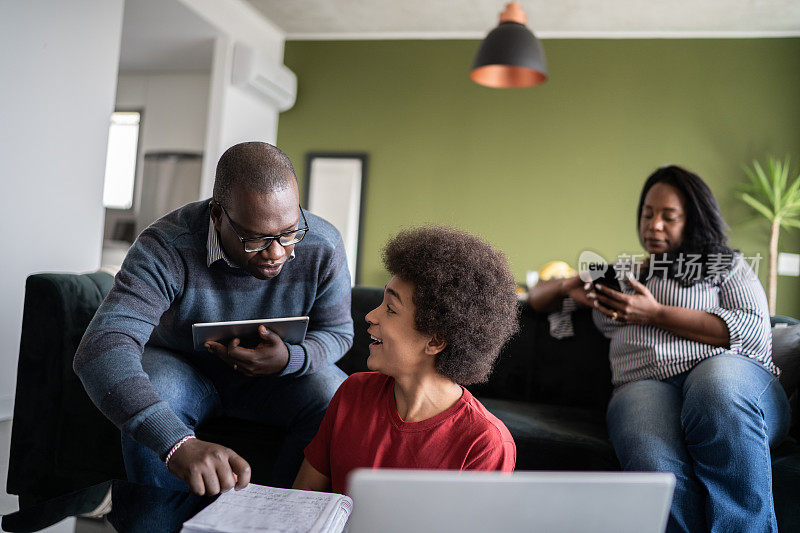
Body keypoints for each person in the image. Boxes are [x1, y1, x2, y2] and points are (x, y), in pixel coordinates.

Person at [75, 142, 353, 495]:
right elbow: (101, 347)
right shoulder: (165, 246)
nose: (277, 252)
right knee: (158, 384)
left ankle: (279, 514)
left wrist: (289, 358)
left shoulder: (323, 244)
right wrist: (176, 444)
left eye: (289, 232)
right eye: (256, 239)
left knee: (336, 394)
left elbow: (339, 332)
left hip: (278, 382)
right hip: (182, 369)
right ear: (217, 215)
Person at [528, 165, 791, 532]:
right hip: (644, 383)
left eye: (669, 217)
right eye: (648, 214)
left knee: (716, 387)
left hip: (725, 370)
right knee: (654, 463)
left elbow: (750, 329)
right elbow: (535, 299)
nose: (654, 225)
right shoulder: (621, 275)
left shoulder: (726, 265)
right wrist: (567, 285)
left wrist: (654, 313)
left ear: (693, 220)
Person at [293, 227, 519, 494]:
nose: (370, 316)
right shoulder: (352, 393)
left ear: (435, 341)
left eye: (390, 309)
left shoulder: (485, 443)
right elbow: (302, 502)